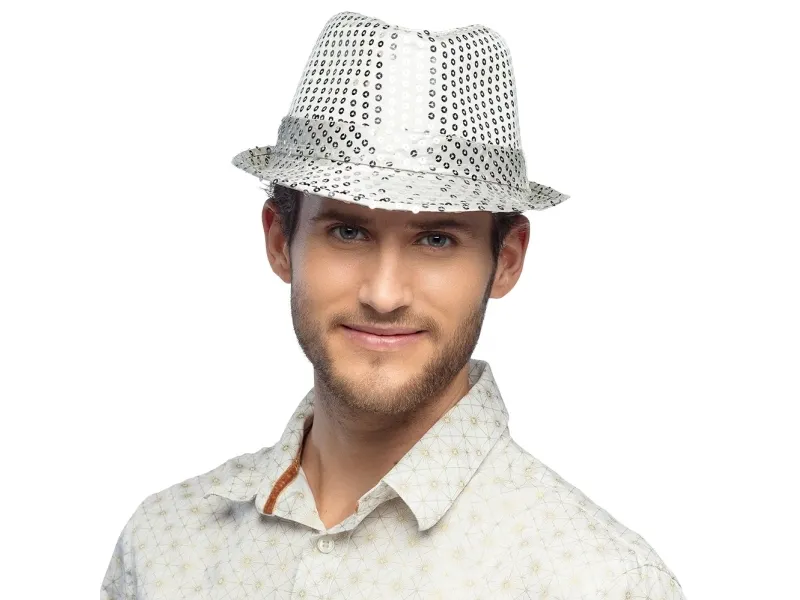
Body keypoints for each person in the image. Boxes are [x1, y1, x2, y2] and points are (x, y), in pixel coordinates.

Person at [101, 11, 686, 599]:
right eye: (347, 232)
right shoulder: (164, 545)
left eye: (436, 239)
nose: (383, 294)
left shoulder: (598, 582)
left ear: (506, 260)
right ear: (280, 242)